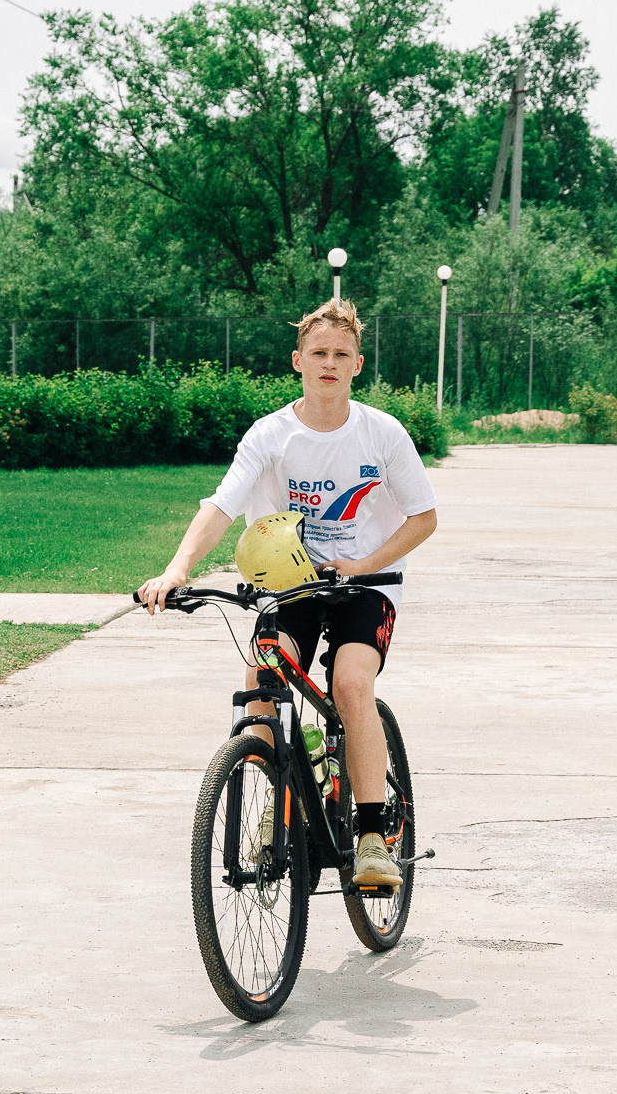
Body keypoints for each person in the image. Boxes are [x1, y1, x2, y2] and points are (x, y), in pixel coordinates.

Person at [136, 298, 439, 890]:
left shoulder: (381, 433)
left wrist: (362, 564)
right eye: (318, 353)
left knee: (350, 684)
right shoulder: (271, 434)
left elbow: (423, 517)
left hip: (365, 583)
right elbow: (221, 506)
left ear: (357, 365)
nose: (329, 363)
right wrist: (176, 570)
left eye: (341, 354)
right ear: (297, 360)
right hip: (290, 584)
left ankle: (372, 837)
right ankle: (278, 801)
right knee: (262, 680)